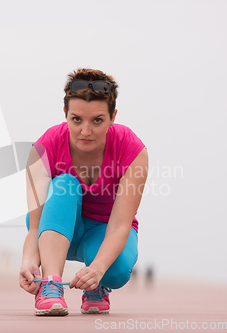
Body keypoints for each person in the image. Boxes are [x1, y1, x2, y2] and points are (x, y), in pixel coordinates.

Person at [19, 68, 148, 316]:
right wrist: (29, 262)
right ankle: (51, 285)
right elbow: (35, 226)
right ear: (65, 114)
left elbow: (121, 225)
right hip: (57, 224)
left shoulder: (132, 149)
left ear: (113, 117)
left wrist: (98, 269)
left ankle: (96, 286)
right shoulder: (43, 148)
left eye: (97, 120)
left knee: (116, 271)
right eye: (76, 119)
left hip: (106, 230)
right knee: (64, 184)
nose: (85, 131)